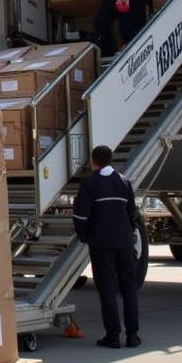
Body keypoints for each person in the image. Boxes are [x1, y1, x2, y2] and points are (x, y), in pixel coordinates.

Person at [72, 144, 141, 348]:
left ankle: (112, 336)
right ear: (110, 160)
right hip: (124, 242)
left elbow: (80, 216)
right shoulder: (124, 182)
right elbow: (133, 213)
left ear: (93, 161)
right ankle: (133, 336)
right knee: (128, 288)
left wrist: (84, 236)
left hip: (101, 243)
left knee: (107, 289)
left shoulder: (90, 183)